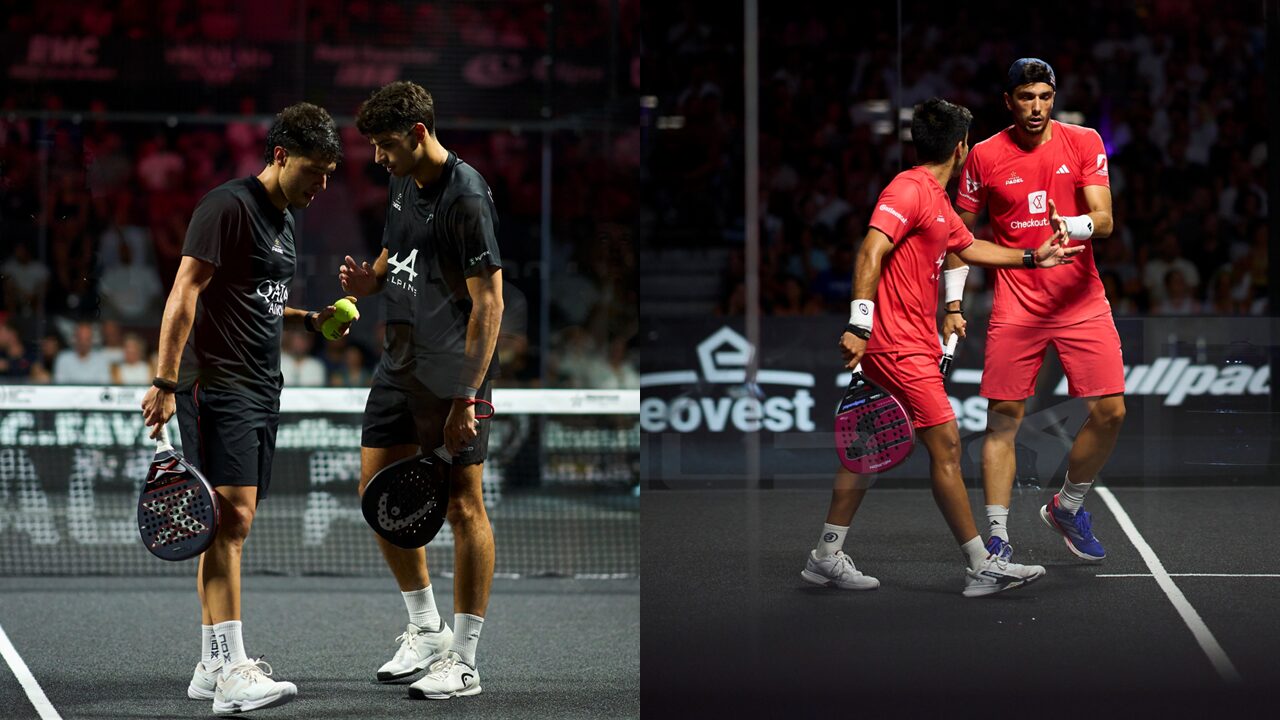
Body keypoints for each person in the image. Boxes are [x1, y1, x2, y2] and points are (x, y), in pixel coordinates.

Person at [801, 97, 1082, 597]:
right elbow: (870, 249)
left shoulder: (936, 199)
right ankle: (982, 565)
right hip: (897, 346)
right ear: (961, 148)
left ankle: (825, 554)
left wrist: (1031, 258)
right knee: (948, 446)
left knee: (866, 448)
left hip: (910, 342)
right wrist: (860, 324)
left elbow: (968, 247)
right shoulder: (908, 190)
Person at [140, 102, 348, 715]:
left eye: (330, 175)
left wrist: (308, 318)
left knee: (231, 525)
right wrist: (164, 381)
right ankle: (232, 670)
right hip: (218, 384)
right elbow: (186, 290)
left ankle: (210, 664)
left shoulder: (283, 220)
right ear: (280, 156)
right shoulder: (226, 206)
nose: (322, 186)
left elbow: (256, 296)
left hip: (262, 387)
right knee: (228, 524)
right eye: (314, 171)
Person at [340, 80, 503, 699]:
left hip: (452, 373)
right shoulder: (403, 180)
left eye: (385, 145)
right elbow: (396, 251)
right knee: (377, 495)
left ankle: (464, 658)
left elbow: (491, 303)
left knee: (463, 506)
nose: (377, 158)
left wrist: (466, 397)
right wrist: (371, 279)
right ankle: (427, 629)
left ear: (417, 133)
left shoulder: (467, 197)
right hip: (400, 362)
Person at [949, 58, 1123, 563]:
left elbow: (1104, 220)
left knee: (1111, 412)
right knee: (1003, 421)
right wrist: (953, 303)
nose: (1037, 107)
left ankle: (1067, 506)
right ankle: (998, 537)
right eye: (1027, 97)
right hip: (1017, 305)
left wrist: (1072, 224)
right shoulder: (983, 156)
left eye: (1045, 96)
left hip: (1081, 300)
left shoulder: (1084, 141)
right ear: (1009, 101)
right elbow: (958, 236)